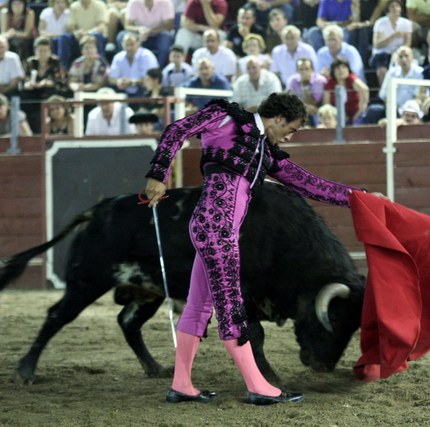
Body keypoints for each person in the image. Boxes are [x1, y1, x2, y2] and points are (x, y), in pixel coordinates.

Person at [144, 92, 368, 406]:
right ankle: (257, 386)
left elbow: (306, 182)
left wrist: (359, 197)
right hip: (216, 229)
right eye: (290, 129)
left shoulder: (265, 150)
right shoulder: (225, 118)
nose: (290, 136)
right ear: (278, 118)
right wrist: (158, 173)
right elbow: (176, 130)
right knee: (232, 308)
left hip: (219, 230)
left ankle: (182, 384)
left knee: (198, 307)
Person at [363, 45, 424, 124]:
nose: (403, 59)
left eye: (406, 56)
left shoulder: (420, 72)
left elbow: (419, 97)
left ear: (412, 57)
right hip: (394, 107)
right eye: (400, 57)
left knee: (410, 113)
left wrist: (405, 108)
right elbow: (384, 95)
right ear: (397, 59)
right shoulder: (391, 73)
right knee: (373, 110)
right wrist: (391, 104)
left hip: (411, 109)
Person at [117, 0, 175, 68]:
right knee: (122, 36)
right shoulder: (134, 2)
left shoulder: (165, 2)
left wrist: (150, 31)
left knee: (166, 36)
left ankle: (158, 70)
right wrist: (139, 29)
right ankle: (129, 66)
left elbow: (169, 26)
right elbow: (128, 25)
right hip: (139, 36)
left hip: (158, 36)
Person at [57, 0, 109, 70]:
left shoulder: (100, 5)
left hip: (93, 37)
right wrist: (76, 32)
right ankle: (63, 69)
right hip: (79, 38)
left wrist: (88, 33)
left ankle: (100, 68)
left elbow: (102, 26)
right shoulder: (74, 6)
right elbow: (70, 26)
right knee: (64, 37)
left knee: (97, 35)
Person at [370, 0, 413, 86]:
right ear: (388, 9)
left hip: (399, 53)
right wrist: (393, 36)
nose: (395, 9)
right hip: (382, 53)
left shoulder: (407, 23)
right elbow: (377, 44)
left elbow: (407, 44)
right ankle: (385, 94)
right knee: (382, 71)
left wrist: (398, 53)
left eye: (397, 6)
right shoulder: (380, 23)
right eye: (392, 6)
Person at [322, 57, 370, 125]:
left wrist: (359, 112)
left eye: (344, 67)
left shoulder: (351, 78)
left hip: (356, 114)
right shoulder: (330, 82)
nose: (341, 70)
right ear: (333, 71)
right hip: (336, 116)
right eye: (338, 68)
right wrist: (338, 116)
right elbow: (326, 105)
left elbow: (364, 89)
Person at [108, 31, 158, 96]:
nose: (129, 48)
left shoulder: (147, 56)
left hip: (143, 90)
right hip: (123, 90)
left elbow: (153, 79)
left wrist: (132, 82)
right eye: (126, 45)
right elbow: (111, 78)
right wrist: (119, 81)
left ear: (138, 44)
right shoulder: (118, 57)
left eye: (131, 44)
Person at [285, 57, 326, 126]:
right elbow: (289, 100)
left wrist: (304, 87)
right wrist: (305, 107)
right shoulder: (292, 80)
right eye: (301, 69)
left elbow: (313, 102)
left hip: (317, 110)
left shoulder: (319, 80)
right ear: (297, 70)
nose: (304, 72)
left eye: (307, 69)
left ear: (313, 69)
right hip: (299, 110)